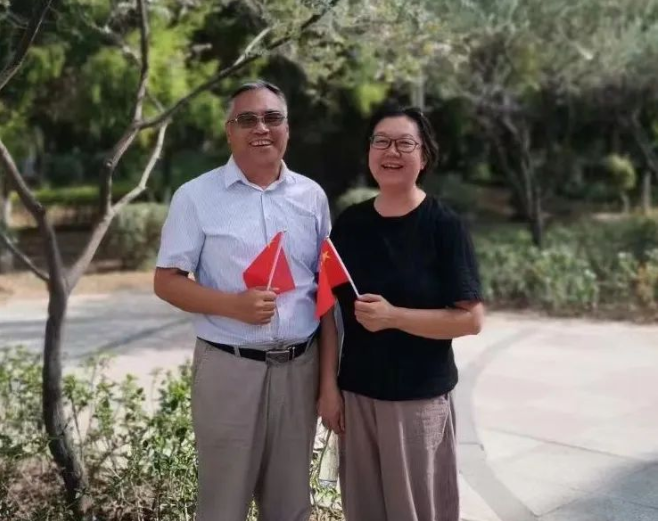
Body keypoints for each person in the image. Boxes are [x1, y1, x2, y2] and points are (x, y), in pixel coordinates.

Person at [154, 80, 335, 521]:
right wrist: (233, 305)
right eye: (247, 119)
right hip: (229, 369)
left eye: (272, 118)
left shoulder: (311, 196)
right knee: (223, 507)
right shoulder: (196, 197)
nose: (261, 128)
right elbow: (166, 281)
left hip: (300, 369)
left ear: (287, 128)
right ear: (229, 131)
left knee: (291, 506)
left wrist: (329, 382)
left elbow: (326, 293)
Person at [317, 106, 485, 521]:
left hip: (418, 399)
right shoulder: (350, 224)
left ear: (424, 157)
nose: (391, 151)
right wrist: (328, 388)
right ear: (369, 152)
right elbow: (328, 312)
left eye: (405, 143)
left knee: (417, 512)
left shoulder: (443, 226)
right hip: (357, 397)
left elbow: (471, 320)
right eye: (381, 141)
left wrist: (394, 317)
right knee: (363, 511)